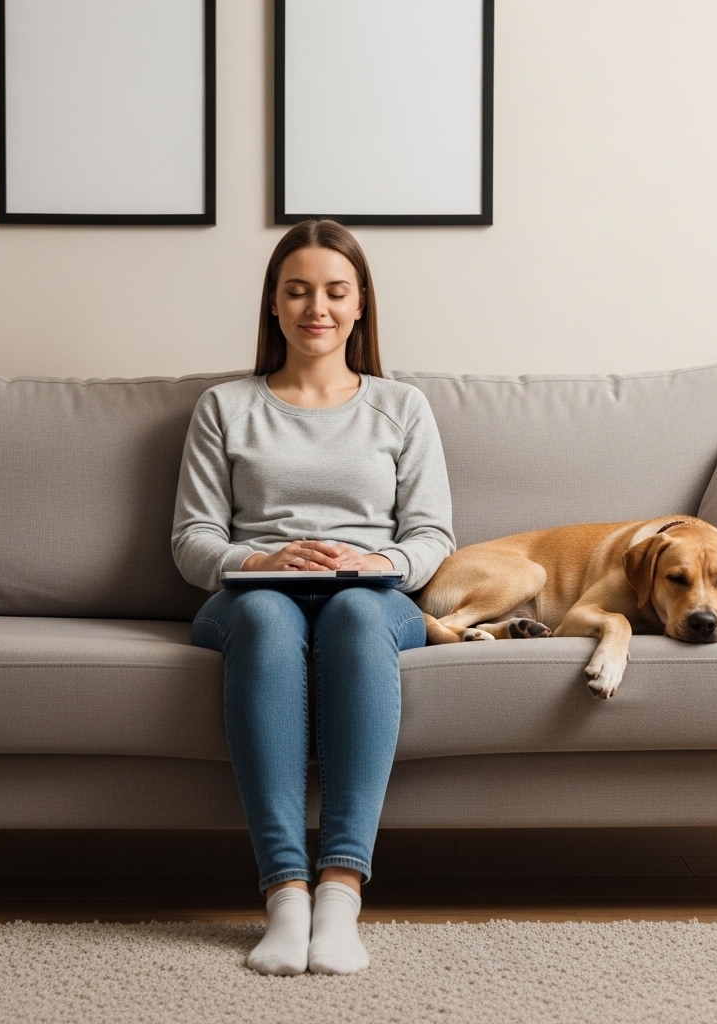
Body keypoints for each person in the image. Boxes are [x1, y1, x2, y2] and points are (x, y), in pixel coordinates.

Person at [171, 220, 455, 976]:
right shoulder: (225, 407)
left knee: (359, 615)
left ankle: (340, 891)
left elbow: (432, 537)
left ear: (361, 305)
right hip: (251, 595)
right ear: (273, 304)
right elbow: (192, 540)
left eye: (335, 291)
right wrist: (263, 555)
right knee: (266, 614)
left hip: (372, 596)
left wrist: (374, 559)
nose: (316, 308)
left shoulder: (402, 407)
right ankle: (285, 894)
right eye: (297, 291)